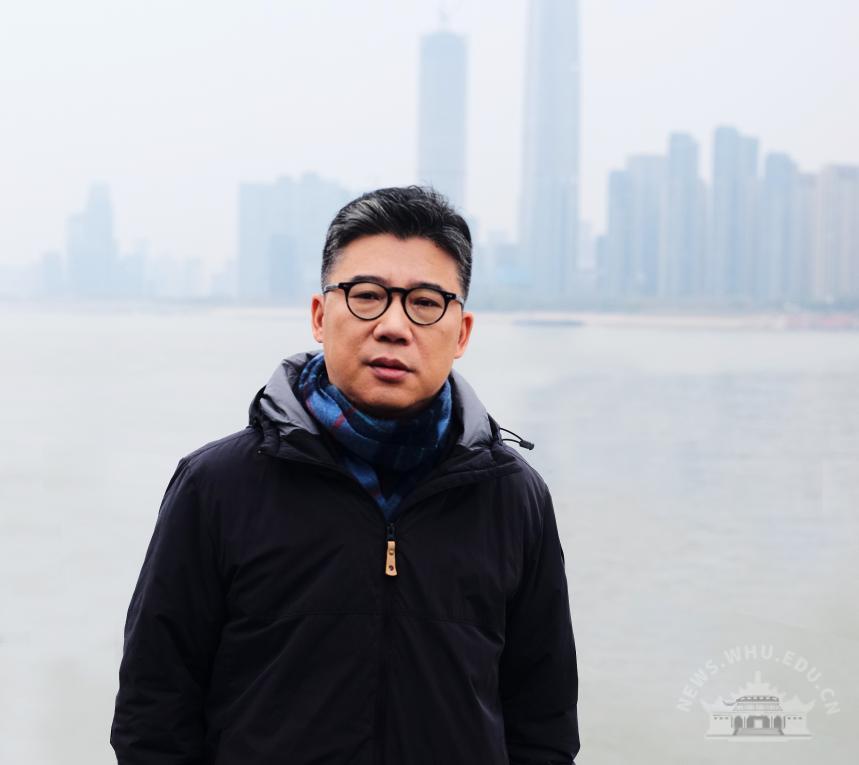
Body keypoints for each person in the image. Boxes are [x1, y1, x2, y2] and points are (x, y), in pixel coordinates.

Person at [110, 186, 579, 764]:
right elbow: (153, 714)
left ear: (461, 333)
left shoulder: (512, 496)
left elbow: (544, 722)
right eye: (367, 296)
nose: (393, 326)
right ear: (319, 314)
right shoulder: (217, 486)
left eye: (425, 302)